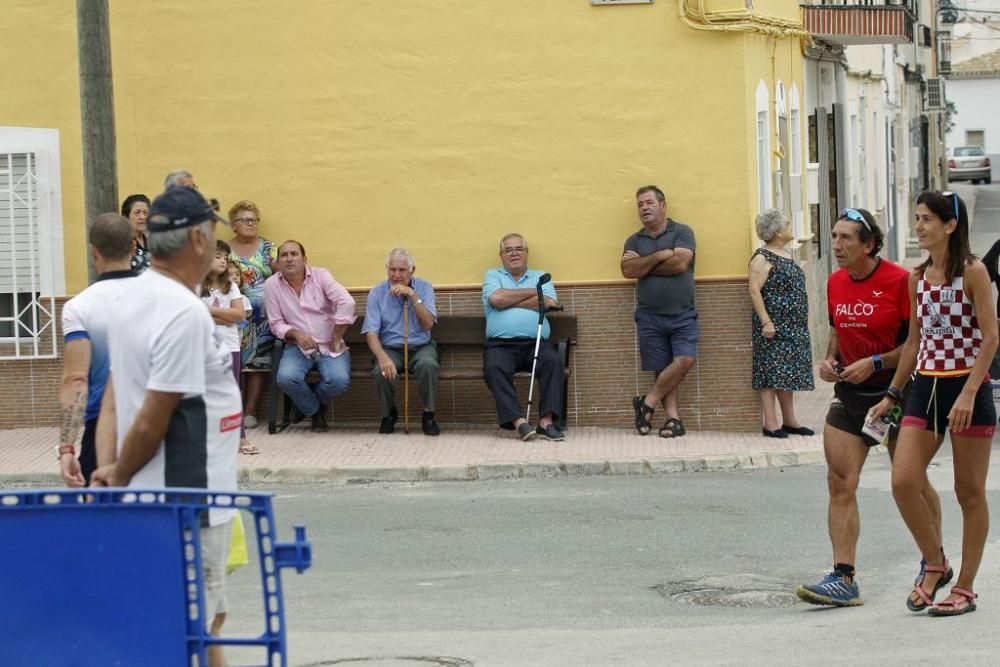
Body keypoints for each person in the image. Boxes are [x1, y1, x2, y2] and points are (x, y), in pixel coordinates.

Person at [90, 186, 239, 667]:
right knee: (190, 625)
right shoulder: (182, 312)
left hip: (171, 496)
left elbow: (117, 398)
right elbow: (154, 415)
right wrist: (116, 472)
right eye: (214, 232)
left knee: (197, 624)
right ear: (198, 239)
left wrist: (115, 469)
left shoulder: (135, 299)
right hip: (187, 500)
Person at [795, 207, 944, 608]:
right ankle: (844, 577)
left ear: (869, 245)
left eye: (846, 239)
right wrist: (830, 362)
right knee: (839, 480)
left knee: (909, 480)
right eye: (834, 237)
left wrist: (876, 363)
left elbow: (915, 347)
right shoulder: (836, 282)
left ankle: (934, 560)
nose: (837, 246)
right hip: (851, 396)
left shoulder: (901, 281)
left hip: (901, 392)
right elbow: (837, 331)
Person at [870, 191, 997, 617]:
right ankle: (936, 562)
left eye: (927, 219)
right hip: (925, 386)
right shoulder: (917, 278)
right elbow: (914, 342)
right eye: (917, 218)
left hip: (968, 388)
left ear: (950, 226)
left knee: (969, 493)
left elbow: (991, 338)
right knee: (904, 480)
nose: (919, 226)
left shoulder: (974, 272)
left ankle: (965, 588)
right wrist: (891, 393)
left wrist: (968, 392)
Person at [58, 213, 138, 486]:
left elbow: (75, 379)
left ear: (93, 251)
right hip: (159, 421)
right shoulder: (161, 297)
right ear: (133, 247)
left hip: (102, 427)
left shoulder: (79, 307)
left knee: (102, 518)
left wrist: (67, 448)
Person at [622, 185, 697, 438]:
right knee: (662, 367)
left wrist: (643, 263)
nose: (644, 208)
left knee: (684, 360)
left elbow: (680, 264)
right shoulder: (634, 240)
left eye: (648, 203)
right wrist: (658, 256)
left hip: (683, 313)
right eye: (640, 205)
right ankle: (673, 420)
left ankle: (647, 403)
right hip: (649, 315)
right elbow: (628, 271)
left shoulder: (682, 232)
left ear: (663, 205)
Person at [265, 240, 356, 432]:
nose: (289, 259)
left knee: (339, 381)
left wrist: (337, 336)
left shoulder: (321, 276)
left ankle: (302, 404)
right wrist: (295, 333)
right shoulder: (272, 285)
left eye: (294, 254)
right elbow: (275, 323)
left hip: (329, 345)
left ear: (305, 259)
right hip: (298, 347)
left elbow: (347, 302)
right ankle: (316, 412)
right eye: (284, 255)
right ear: (278, 262)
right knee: (286, 378)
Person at [483, 233, 564, 441]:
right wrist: (532, 292)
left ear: (526, 253)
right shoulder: (493, 275)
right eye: (508, 250)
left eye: (519, 249)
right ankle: (520, 422)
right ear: (501, 255)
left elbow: (547, 303)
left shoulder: (541, 276)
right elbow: (496, 299)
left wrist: (508, 299)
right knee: (493, 368)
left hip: (536, 343)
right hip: (501, 346)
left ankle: (546, 422)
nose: (514, 253)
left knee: (554, 361)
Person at [748, 209, 815, 438]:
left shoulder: (785, 253)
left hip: (792, 326)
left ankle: (790, 420)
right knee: (770, 372)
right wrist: (766, 322)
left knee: (787, 373)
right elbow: (754, 291)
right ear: (777, 231)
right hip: (772, 327)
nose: (790, 227)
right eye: (787, 224)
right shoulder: (762, 257)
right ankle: (771, 423)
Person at [362, 248, 441, 436]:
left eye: (402, 270)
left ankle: (428, 414)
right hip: (391, 348)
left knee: (428, 365)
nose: (396, 275)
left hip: (421, 346)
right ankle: (388, 413)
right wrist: (381, 357)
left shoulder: (425, 287)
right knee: (383, 370)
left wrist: (413, 296)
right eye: (392, 270)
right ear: (387, 269)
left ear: (412, 270)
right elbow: (370, 333)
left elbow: (428, 324)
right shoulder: (377, 293)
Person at [203, 239, 258, 455]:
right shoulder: (196, 286)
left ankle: (240, 437)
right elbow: (194, 315)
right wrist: (224, 317)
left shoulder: (231, 286)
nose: (222, 261)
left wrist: (211, 312)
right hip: (204, 346)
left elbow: (239, 315)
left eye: (225, 257)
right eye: (217, 256)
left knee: (232, 392)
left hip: (230, 346)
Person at [228, 200, 279, 430]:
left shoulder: (268, 248)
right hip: (232, 313)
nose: (250, 224)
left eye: (253, 220)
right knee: (234, 362)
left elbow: (282, 274)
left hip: (262, 316)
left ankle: (250, 409)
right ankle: (232, 409)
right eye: (244, 220)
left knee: (257, 364)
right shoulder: (224, 250)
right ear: (233, 225)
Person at [121, 194, 151, 273]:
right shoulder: (123, 244)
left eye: (145, 213)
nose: (142, 217)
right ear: (126, 216)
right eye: (137, 213)